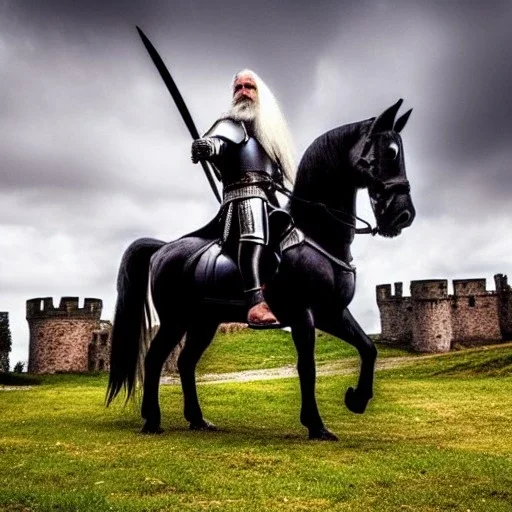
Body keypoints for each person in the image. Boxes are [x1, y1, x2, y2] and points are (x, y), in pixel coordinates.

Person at [191, 69, 295, 327]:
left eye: (249, 87)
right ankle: (254, 303)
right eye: (238, 88)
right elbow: (218, 143)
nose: (244, 92)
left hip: (270, 199)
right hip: (240, 200)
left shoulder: (268, 134)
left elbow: (279, 174)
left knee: (296, 228)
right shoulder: (230, 124)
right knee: (253, 213)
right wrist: (207, 147)